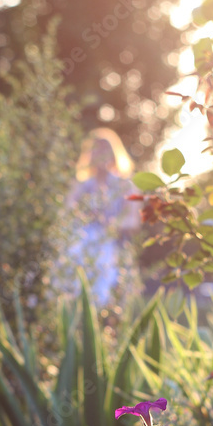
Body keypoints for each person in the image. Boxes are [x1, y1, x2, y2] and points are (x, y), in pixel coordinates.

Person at [64, 128, 141, 303]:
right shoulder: (82, 185)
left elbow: (133, 221)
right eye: (96, 149)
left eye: (104, 149)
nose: (100, 154)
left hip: (112, 248)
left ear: (113, 152)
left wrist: (109, 223)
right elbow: (67, 215)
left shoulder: (125, 185)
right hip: (81, 248)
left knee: (107, 297)